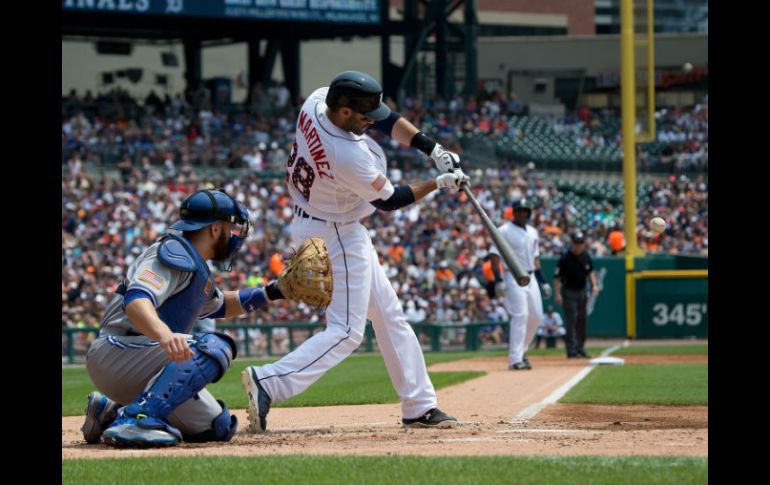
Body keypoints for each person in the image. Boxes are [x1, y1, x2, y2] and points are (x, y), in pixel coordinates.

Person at [241, 70, 468, 432]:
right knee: (347, 331)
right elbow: (391, 200)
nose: (370, 121)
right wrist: (439, 183)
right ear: (344, 111)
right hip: (335, 231)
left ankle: (419, 405)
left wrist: (432, 148)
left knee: (389, 314)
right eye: (363, 115)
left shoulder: (317, 99)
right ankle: (269, 382)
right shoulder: (344, 153)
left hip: (321, 220)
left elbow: (388, 118)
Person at [81, 189, 298, 447]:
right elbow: (137, 301)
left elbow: (221, 305)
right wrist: (164, 334)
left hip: (139, 360)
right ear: (215, 229)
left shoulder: (194, 264)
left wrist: (273, 291)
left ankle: (108, 412)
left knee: (217, 427)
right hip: (118, 350)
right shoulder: (173, 252)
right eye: (230, 228)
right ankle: (137, 418)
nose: (233, 236)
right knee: (215, 347)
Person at [487, 198, 552, 370]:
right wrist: (498, 279)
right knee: (520, 315)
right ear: (513, 212)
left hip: (531, 277)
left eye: (525, 210)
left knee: (537, 317)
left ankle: (521, 351)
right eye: (519, 210)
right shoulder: (504, 230)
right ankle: (515, 360)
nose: (522, 213)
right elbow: (494, 256)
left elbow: (536, 259)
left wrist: (543, 281)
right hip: (513, 276)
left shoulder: (532, 231)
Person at [554, 231, 600, 358]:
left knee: (582, 320)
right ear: (572, 243)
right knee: (572, 320)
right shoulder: (565, 258)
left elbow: (590, 272)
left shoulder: (586, 256)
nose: (578, 245)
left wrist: (594, 285)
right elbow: (557, 277)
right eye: (576, 242)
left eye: (581, 242)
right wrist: (557, 294)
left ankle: (580, 348)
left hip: (582, 291)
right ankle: (572, 350)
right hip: (568, 291)